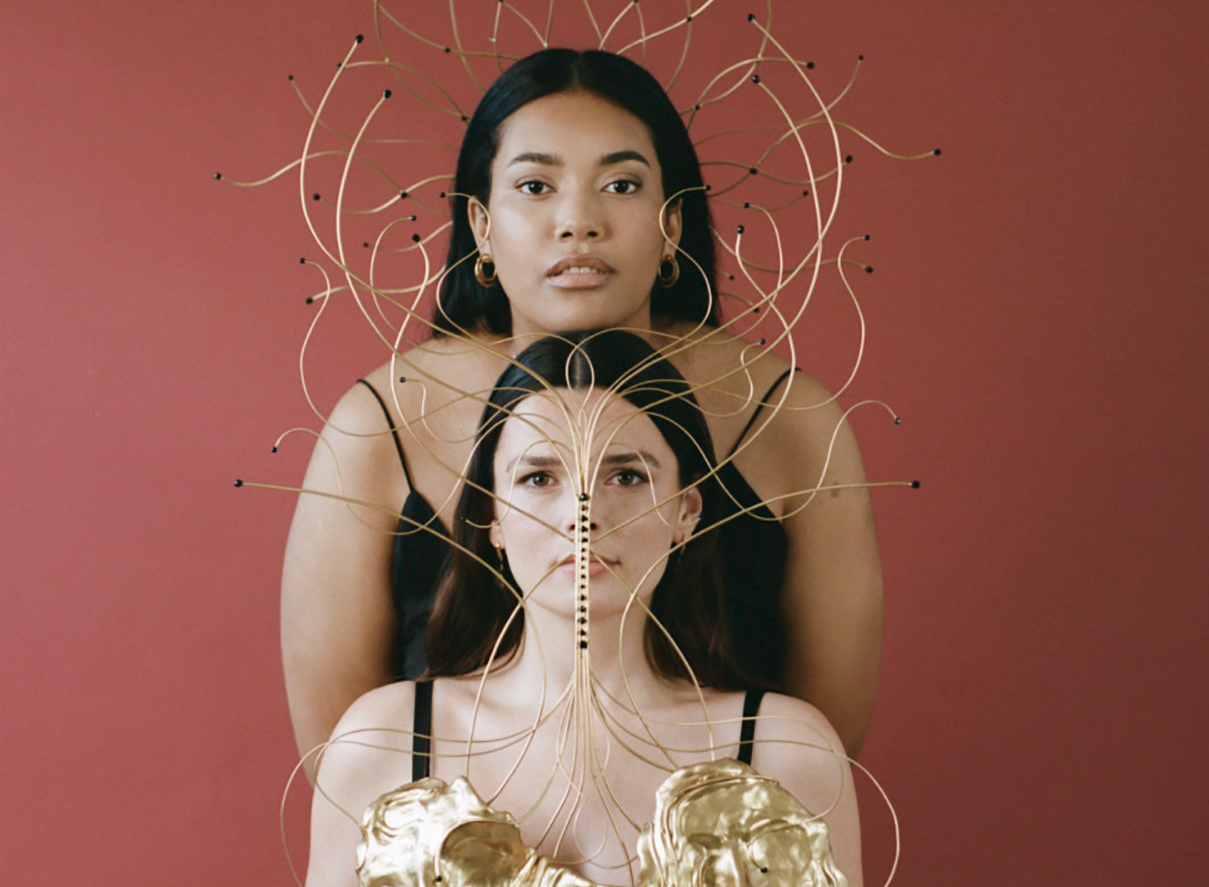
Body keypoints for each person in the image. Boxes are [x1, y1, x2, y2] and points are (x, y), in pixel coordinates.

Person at [283, 333, 867, 887]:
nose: (582, 512)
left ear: (686, 511)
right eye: (540, 477)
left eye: (628, 474)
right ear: (490, 515)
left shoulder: (781, 746)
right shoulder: (389, 735)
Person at [280, 49, 884, 772]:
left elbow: (826, 738)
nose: (578, 222)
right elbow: (341, 757)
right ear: (479, 224)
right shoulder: (380, 424)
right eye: (535, 185)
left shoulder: (789, 417)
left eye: (621, 185)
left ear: (671, 223)